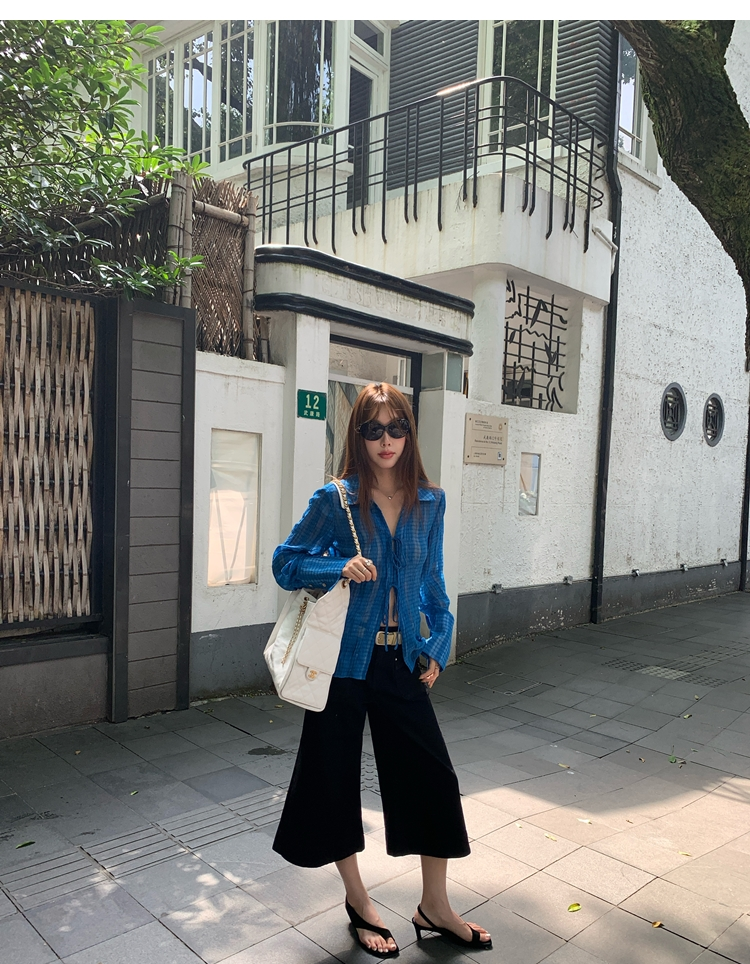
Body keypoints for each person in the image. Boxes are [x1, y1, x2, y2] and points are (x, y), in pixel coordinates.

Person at [272, 382, 491, 957]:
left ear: (410, 433)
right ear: (359, 435)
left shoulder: (430, 502)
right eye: (374, 429)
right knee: (333, 779)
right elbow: (285, 563)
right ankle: (358, 901)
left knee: (434, 777)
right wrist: (339, 566)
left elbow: (433, 584)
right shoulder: (336, 500)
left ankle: (435, 906)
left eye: (397, 428)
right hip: (343, 663)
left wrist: (436, 645)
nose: (386, 440)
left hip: (400, 659)